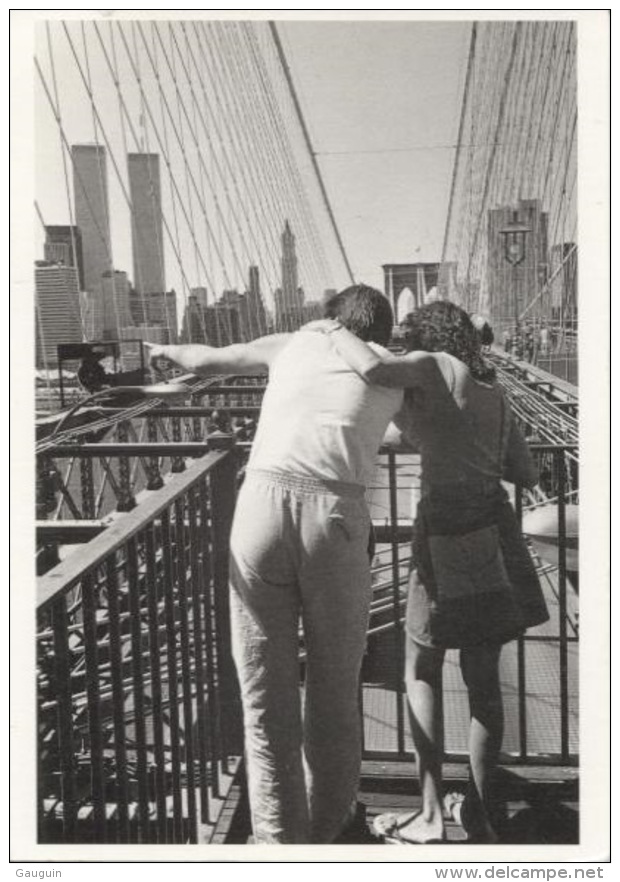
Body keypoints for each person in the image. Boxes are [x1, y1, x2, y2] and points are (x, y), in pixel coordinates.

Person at [145, 284, 404, 844]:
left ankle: (276, 841)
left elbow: (207, 359)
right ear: (382, 332)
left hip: (259, 507)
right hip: (335, 511)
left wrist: (160, 350)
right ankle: (331, 827)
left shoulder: (292, 343)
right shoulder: (392, 369)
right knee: (335, 687)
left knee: (264, 689)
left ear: (330, 319)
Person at [314, 301, 549, 844]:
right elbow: (524, 470)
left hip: (445, 532)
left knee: (420, 668)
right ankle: (484, 815)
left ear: (423, 336)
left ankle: (429, 812)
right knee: (484, 684)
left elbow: (373, 370)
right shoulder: (491, 386)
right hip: (494, 529)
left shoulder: (431, 363)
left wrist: (327, 327)